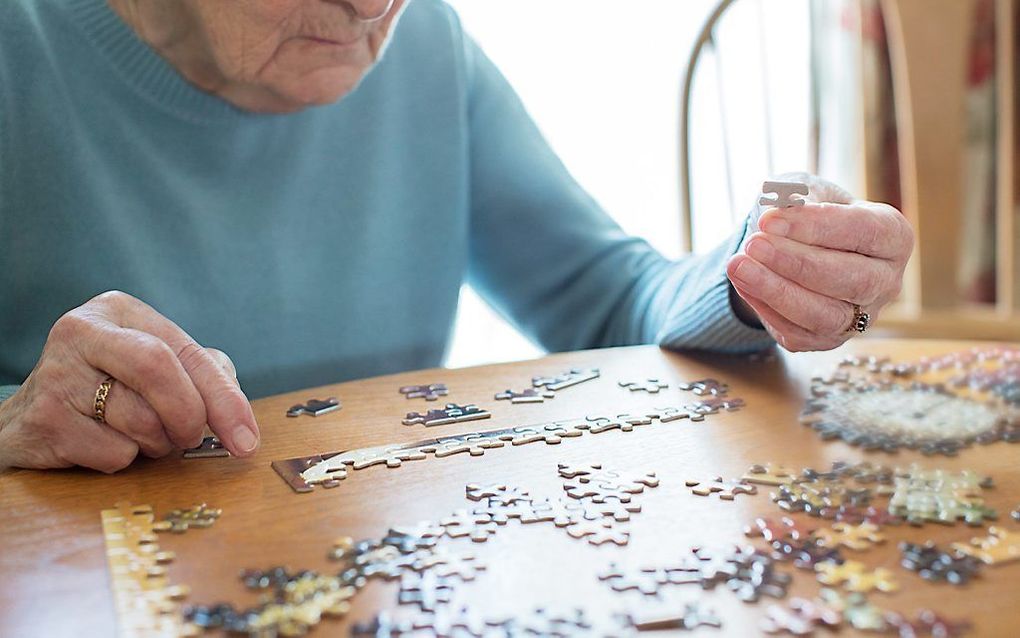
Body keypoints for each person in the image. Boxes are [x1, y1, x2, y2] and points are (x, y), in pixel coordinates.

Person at [0, 0, 913, 474]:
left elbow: (608, 297)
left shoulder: (429, 43)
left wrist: (760, 272)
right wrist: (12, 420)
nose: (370, 9)